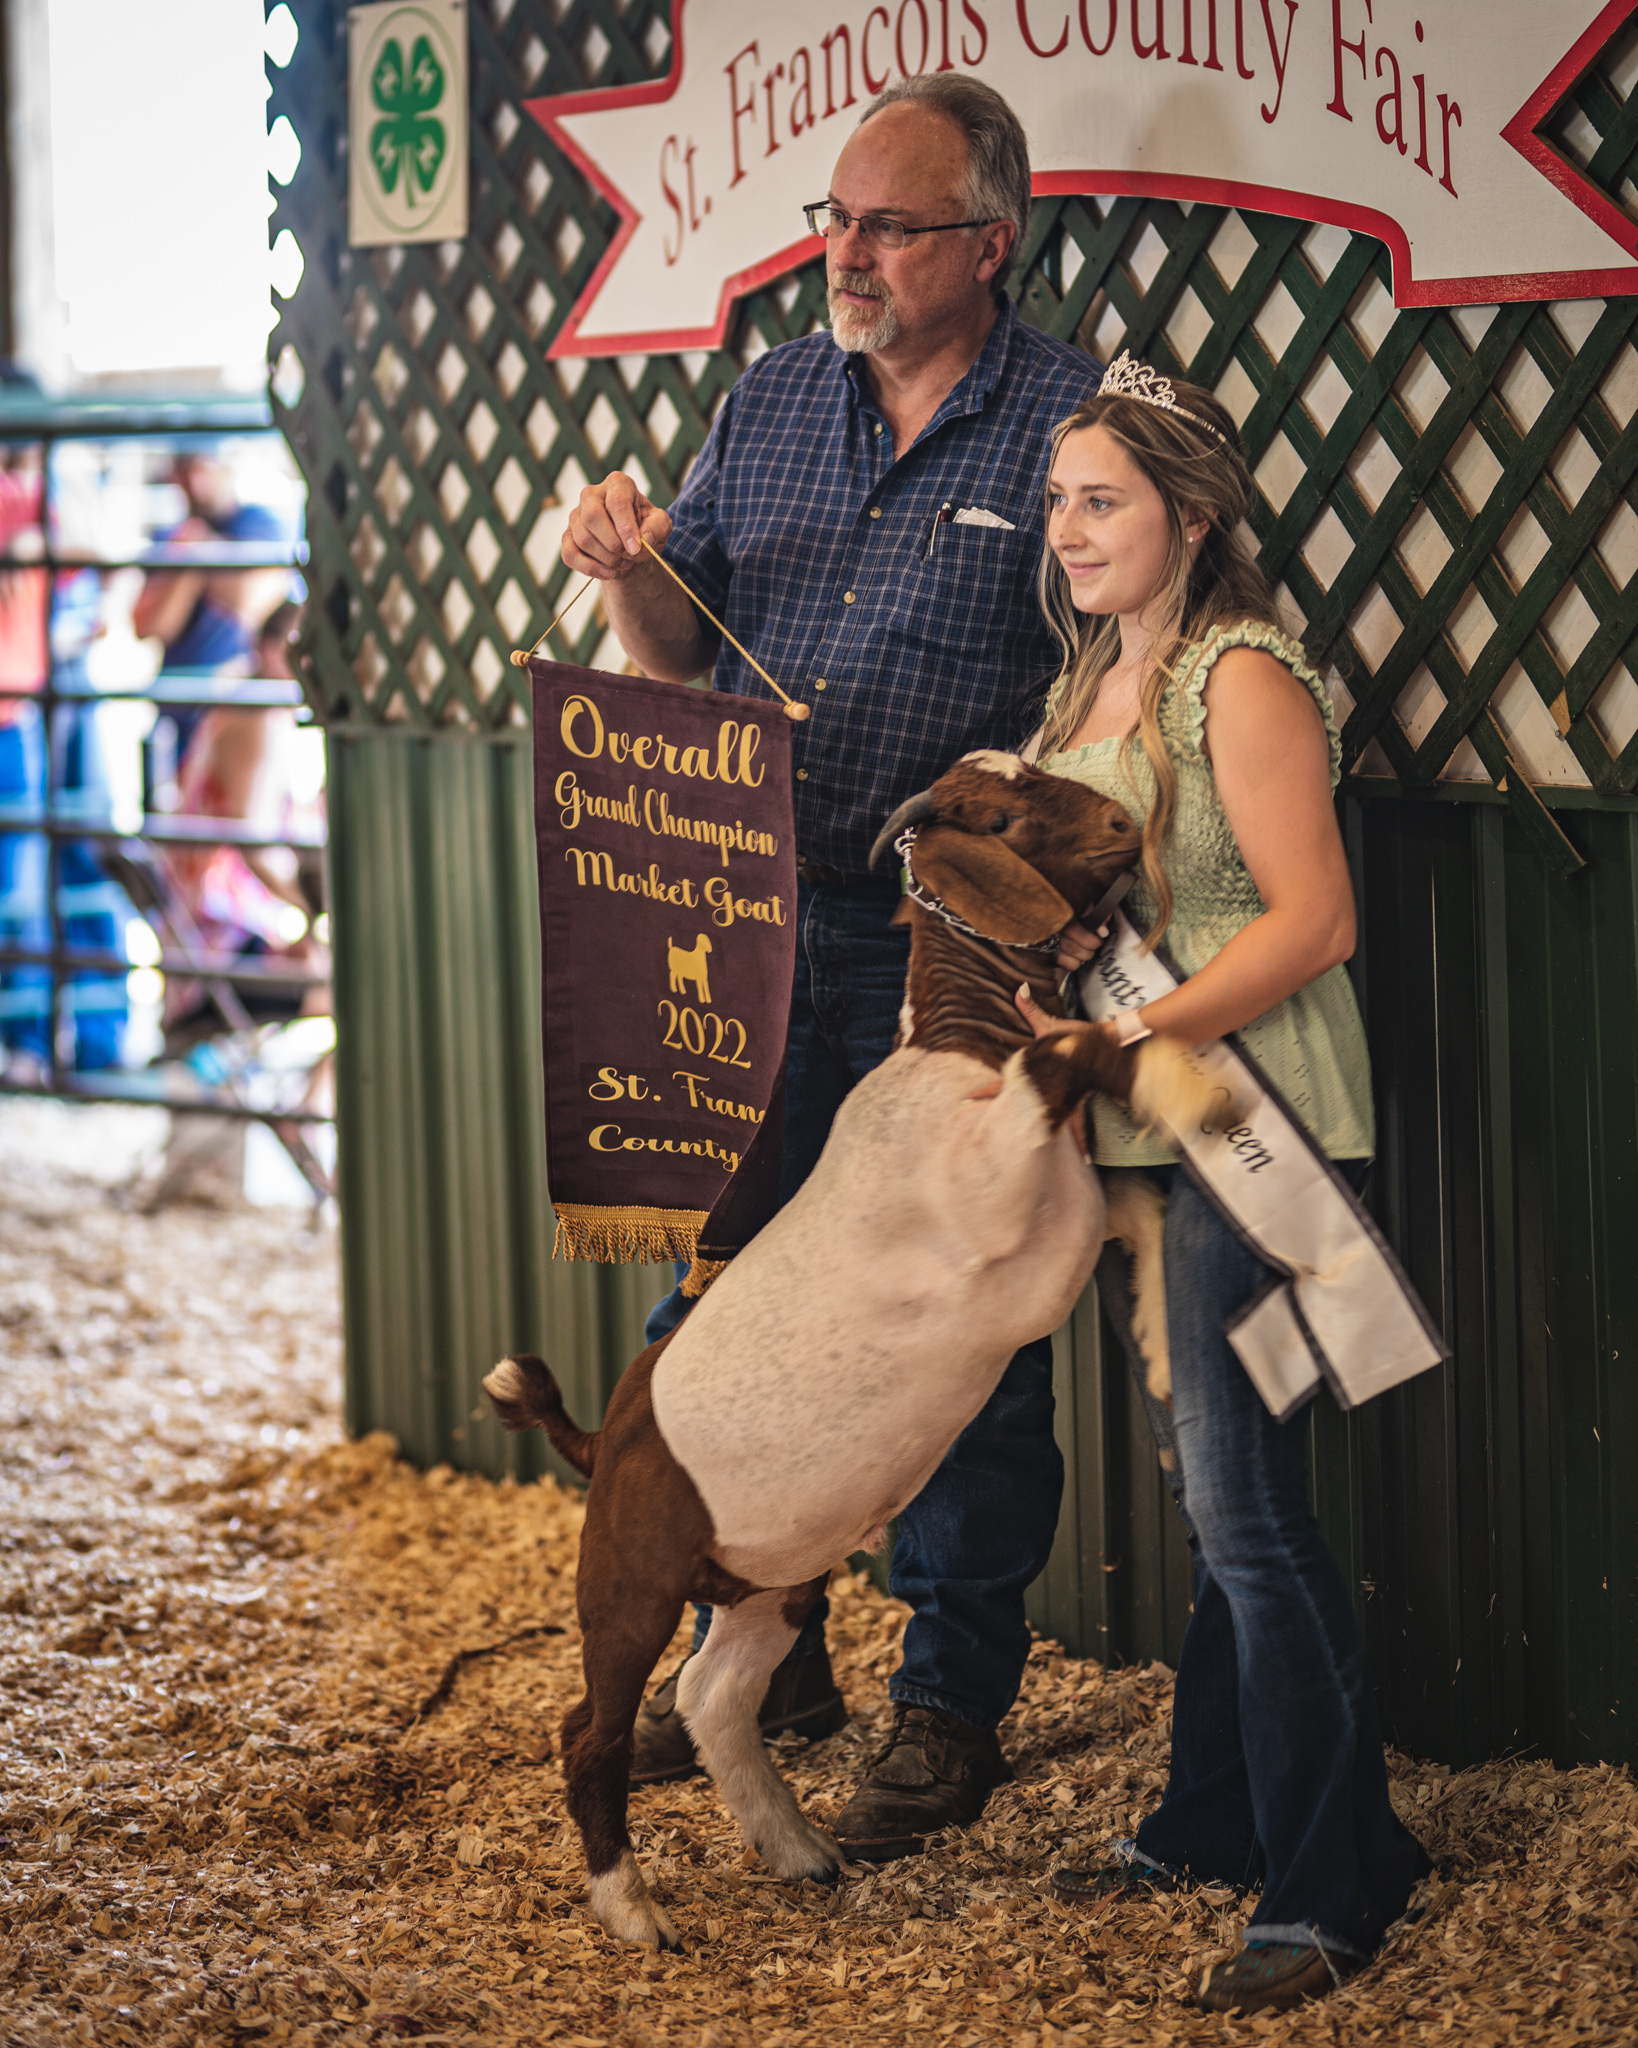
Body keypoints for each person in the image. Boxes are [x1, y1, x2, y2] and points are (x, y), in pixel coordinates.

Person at [561, 73, 1100, 1856]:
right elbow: (672, 650)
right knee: (717, 1304)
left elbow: (1106, 701)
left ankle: (947, 1703)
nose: (844, 255)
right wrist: (630, 568)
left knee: (966, 1339)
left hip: (953, 956)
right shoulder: (776, 394)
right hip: (750, 923)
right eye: (833, 220)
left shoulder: (1069, 425)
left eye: (884, 225)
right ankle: (753, 1651)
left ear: (985, 245)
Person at [1010, 358, 1429, 2013]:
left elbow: (1309, 921)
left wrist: (1132, 1036)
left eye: (1100, 499)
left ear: (1190, 515)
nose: (1069, 528)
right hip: (1142, 1140)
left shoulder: (1235, 677)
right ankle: (1209, 1819)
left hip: (1250, 1138)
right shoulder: (1081, 689)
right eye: (1056, 500)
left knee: (1244, 1512)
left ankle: (1338, 1876)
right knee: (1214, 1492)